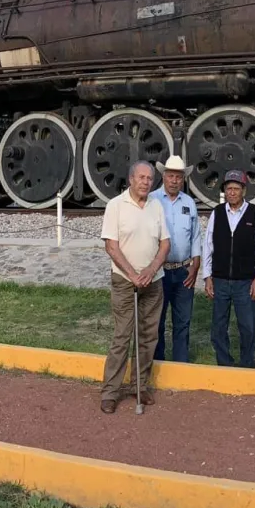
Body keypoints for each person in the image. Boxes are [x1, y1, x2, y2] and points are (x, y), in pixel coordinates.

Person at [99, 161, 170, 414]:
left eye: (149, 179)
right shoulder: (115, 206)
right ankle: (110, 391)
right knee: (122, 336)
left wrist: (150, 270)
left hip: (153, 280)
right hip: (124, 281)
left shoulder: (156, 206)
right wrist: (133, 274)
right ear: (131, 179)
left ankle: (140, 386)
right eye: (141, 177)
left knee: (149, 336)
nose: (145, 182)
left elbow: (165, 244)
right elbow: (111, 246)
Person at [200, 170, 255, 369]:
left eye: (236, 189)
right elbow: (208, 246)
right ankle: (224, 363)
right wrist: (207, 276)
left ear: (243, 191)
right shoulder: (217, 213)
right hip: (220, 280)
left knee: (247, 327)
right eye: (229, 188)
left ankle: (247, 364)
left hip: (246, 281)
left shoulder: (254, 214)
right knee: (218, 327)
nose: (232, 192)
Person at [149, 155, 201, 363]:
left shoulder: (189, 203)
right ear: (163, 176)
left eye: (178, 177)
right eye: (170, 176)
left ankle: (181, 364)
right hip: (159, 271)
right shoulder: (151, 200)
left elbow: (196, 234)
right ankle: (157, 362)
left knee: (183, 321)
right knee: (157, 321)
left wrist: (196, 263)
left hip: (183, 271)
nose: (174, 180)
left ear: (183, 179)